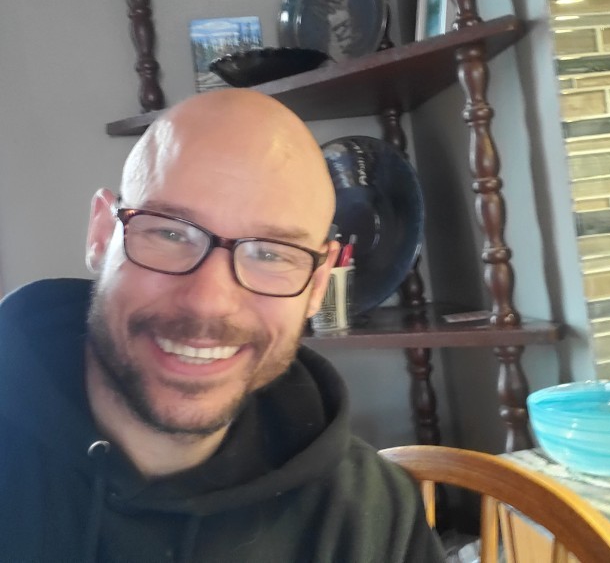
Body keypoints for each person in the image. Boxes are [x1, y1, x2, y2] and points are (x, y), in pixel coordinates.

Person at [0, 89, 444, 562]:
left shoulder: (375, 519)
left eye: (270, 253)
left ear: (318, 284)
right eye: (170, 232)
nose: (208, 303)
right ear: (102, 234)